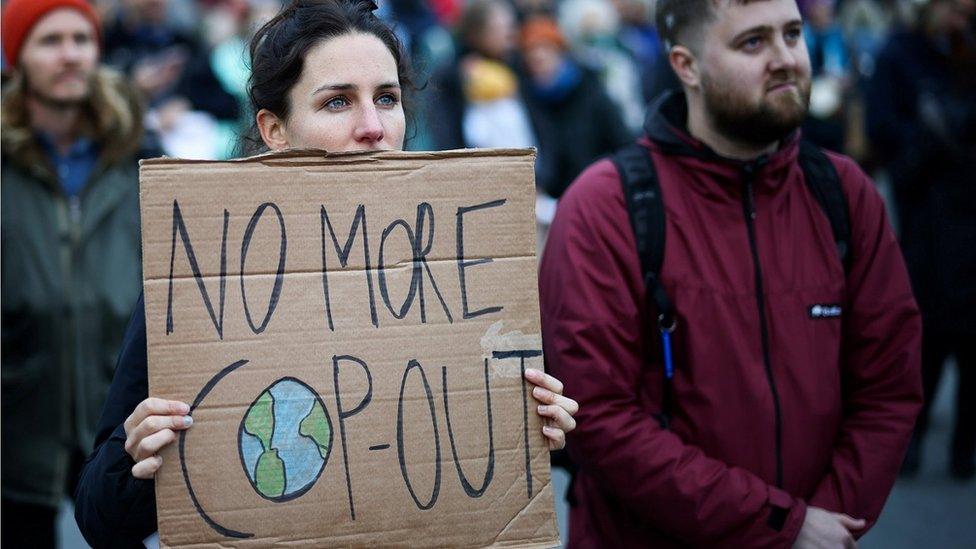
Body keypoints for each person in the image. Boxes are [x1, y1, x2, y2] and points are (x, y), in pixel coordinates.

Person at [74, 1, 579, 547]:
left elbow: (516, 471)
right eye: (338, 101)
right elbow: (98, 516)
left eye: (387, 98)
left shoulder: (460, 267)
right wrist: (138, 458)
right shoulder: (207, 279)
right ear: (275, 129)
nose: (372, 127)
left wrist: (543, 425)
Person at [539, 0, 922, 547]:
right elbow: (597, 416)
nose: (787, 58)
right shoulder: (608, 205)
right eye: (753, 43)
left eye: (792, 34)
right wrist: (780, 527)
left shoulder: (843, 193)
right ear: (685, 65)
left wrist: (826, 521)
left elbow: (889, 383)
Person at [0, 0, 151, 546]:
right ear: (17, 60)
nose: (70, 56)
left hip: (116, 415)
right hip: (19, 425)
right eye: (50, 41)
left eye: (81, 40)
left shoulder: (138, 153)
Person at [866, 0, 976, 480]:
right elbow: (882, 131)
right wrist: (926, 139)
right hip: (927, 218)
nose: (959, 20)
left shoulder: (966, 53)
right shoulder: (900, 54)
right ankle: (911, 439)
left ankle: (962, 448)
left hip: (969, 213)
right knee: (925, 337)